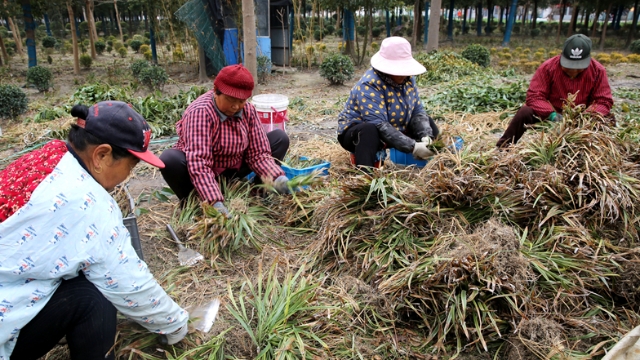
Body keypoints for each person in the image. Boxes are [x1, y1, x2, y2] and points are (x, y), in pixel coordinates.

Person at [0, 102, 189, 359]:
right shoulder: (88, 201)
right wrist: (175, 324)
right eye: (130, 167)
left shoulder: (50, 154)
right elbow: (127, 283)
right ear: (101, 155)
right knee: (94, 297)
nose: (129, 176)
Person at [160, 64, 290, 215]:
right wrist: (215, 203)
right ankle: (194, 203)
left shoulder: (248, 110)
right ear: (216, 91)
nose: (235, 106)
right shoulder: (201, 112)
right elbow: (199, 163)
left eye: (241, 101)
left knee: (279, 138)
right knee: (169, 159)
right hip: (207, 170)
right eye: (230, 100)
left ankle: (257, 193)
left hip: (233, 166)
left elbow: (258, 154)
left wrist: (278, 177)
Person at [336, 36, 439, 169]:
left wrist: (426, 136)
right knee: (369, 131)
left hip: (396, 126)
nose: (403, 74)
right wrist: (413, 147)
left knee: (427, 122)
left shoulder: (408, 80)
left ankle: (438, 166)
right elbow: (379, 125)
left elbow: (417, 111)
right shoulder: (370, 85)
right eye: (398, 70)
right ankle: (366, 177)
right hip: (360, 133)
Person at [496, 34, 613, 147]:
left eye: (578, 68)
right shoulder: (548, 67)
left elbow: (603, 101)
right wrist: (551, 114)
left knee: (607, 118)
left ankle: (598, 153)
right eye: (568, 67)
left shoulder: (598, 71)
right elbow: (534, 96)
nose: (573, 71)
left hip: (582, 115)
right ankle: (503, 147)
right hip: (552, 112)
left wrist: (586, 117)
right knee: (525, 112)